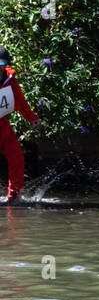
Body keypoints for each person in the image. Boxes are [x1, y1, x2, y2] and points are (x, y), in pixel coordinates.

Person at [0, 49, 38, 202]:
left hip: (2, 124)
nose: (0, 67)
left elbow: (19, 100)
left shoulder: (10, 78)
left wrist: (31, 117)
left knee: (17, 158)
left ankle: (13, 197)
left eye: (2, 63)